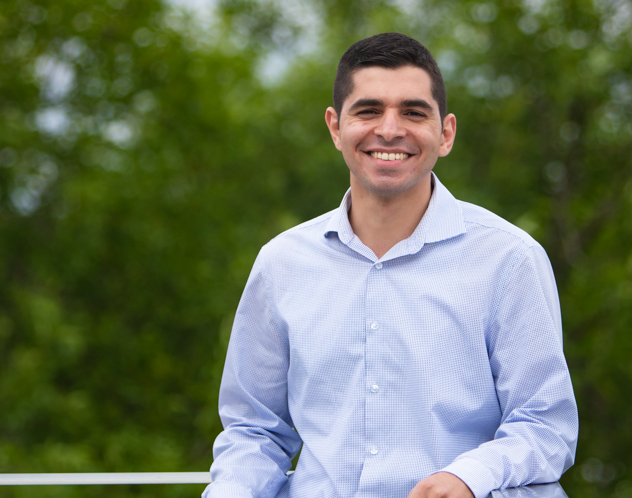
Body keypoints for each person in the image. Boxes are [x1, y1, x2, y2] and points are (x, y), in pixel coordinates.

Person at [203, 33, 578, 498]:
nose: (389, 129)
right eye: (369, 110)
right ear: (336, 127)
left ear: (446, 134)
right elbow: (254, 433)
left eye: (414, 112)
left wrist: (468, 477)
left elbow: (545, 426)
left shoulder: (509, 259)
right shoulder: (282, 263)